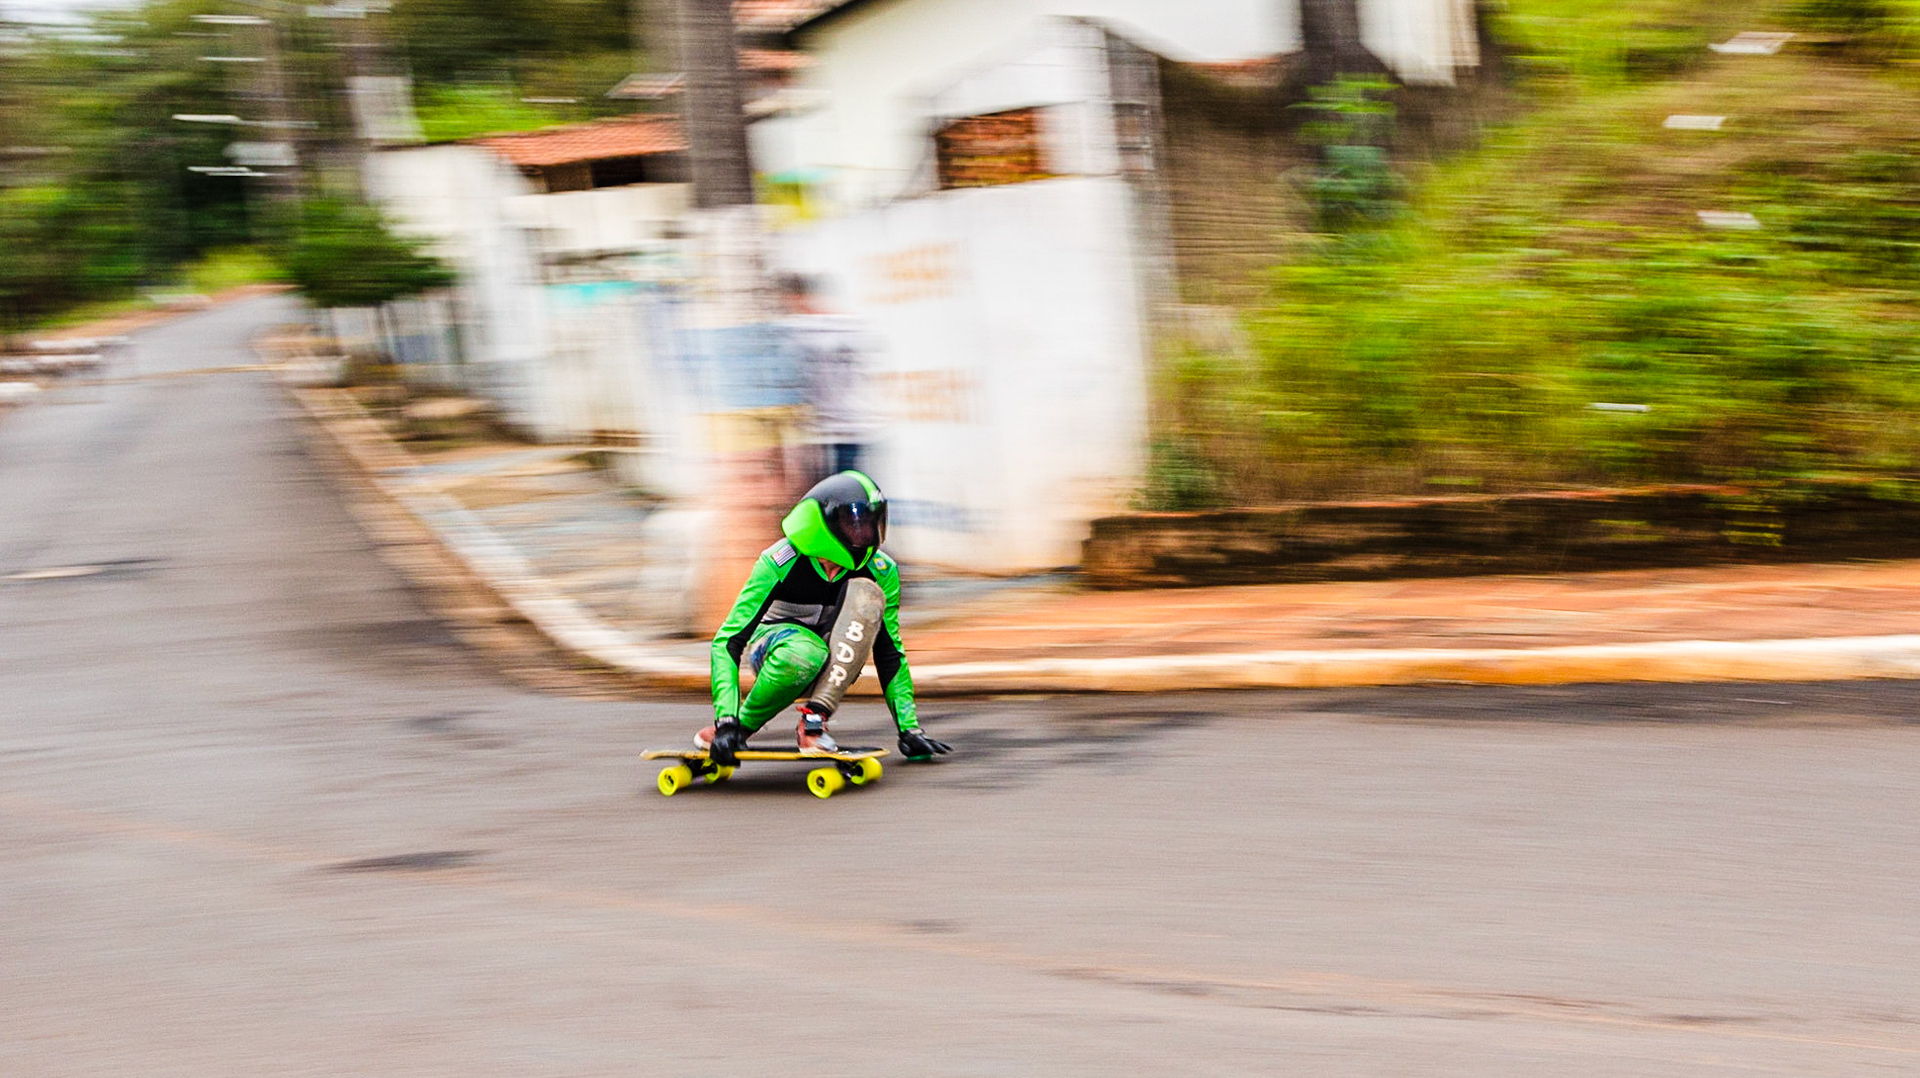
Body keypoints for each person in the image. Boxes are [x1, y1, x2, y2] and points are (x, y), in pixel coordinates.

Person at [696, 470, 953, 767]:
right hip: (775, 654)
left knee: (865, 598)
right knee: (807, 652)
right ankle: (739, 728)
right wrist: (726, 719)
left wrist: (909, 728)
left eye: (872, 522)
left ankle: (813, 722)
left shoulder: (882, 572)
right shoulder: (778, 562)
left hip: (835, 660)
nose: (866, 533)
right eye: (854, 522)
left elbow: (890, 652)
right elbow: (728, 640)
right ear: (823, 523)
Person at [778, 273, 874, 481]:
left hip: (840, 429)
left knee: (840, 490)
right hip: (840, 428)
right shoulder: (845, 323)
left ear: (796, 297)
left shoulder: (806, 330)